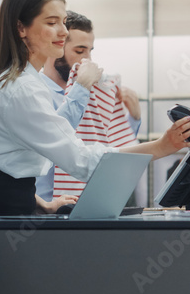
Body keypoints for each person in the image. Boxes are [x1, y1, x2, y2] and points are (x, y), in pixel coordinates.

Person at [0, 0, 190, 219]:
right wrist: (162, 146)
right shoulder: (20, 90)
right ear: (21, 27)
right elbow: (82, 160)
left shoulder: (18, 83)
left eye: (64, 22)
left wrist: (39, 202)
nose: (63, 31)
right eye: (52, 22)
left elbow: (5, 159)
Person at [38, 10, 143, 199]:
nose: (87, 60)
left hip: (89, 208)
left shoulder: (94, 94)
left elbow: (107, 150)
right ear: (56, 47)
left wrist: (132, 120)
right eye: (79, 51)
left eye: (89, 51)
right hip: (45, 213)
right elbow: (56, 140)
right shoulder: (35, 92)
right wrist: (81, 86)